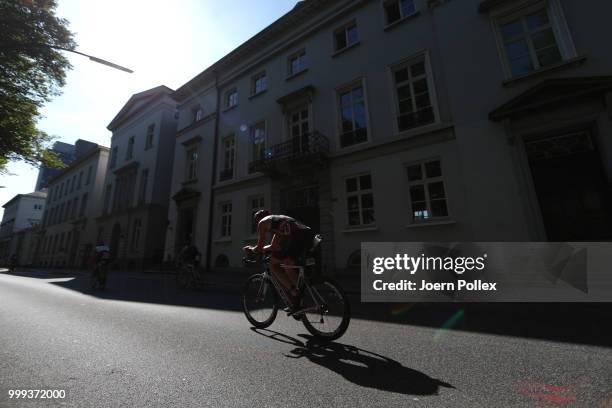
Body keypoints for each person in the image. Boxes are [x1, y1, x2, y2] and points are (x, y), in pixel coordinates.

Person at [244, 210, 315, 308]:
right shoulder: (278, 222)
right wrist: (262, 249)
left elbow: (259, 247)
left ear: (257, 220)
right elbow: (273, 246)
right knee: (285, 262)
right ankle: (299, 297)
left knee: (276, 264)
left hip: (299, 236)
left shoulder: (262, 223)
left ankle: (295, 293)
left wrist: (251, 249)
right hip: (308, 234)